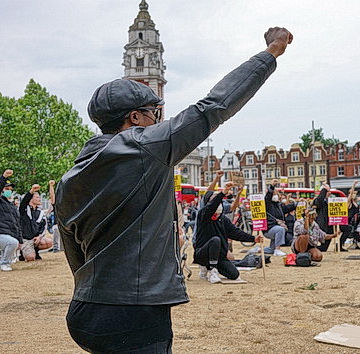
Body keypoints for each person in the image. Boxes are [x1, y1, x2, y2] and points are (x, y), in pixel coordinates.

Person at [55, 27, 292, 353]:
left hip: (87, 308)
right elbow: (214, 106)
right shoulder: (144, 147)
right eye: (156, 114)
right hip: (135, 313)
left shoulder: (69, 179)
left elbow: (74, 256)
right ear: (135, 118)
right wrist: (271, 52)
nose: (159, 121)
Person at [194, 182, 263, 283]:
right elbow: (211, 207)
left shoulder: (223, 219)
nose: (218, 204)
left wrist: (253, 239)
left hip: (219, 255)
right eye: (215, 200)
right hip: (202, 254)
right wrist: (223, 193)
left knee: (234, 274)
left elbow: (235, 232)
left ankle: (214, 266)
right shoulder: (203, 215)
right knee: (215, 240)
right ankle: (211, 269)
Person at [18, 184, 53, 261]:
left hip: (36, 239)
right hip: (25, 239)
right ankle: (23, 252)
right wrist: (32, 191)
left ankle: (35, 251)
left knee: (49, 242)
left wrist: (39, 236)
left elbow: (44, 226)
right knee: (31, 258)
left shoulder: (40, 212)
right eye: (37, 197)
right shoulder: (24, 210)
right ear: (31, 199)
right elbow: (24, 202)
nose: (39, 199)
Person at [263, 179, 296, 256]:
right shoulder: (267, 204)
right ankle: (277, 250)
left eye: (276, 194)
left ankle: (257, 249)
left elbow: (287, 208)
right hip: (269, 228)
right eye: (274, 194)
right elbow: (268, 197)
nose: (275, 195)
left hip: (275, 227)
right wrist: (272, 186)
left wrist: (296, 204)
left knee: (270, 249)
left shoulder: (279, 205)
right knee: (280, 229)